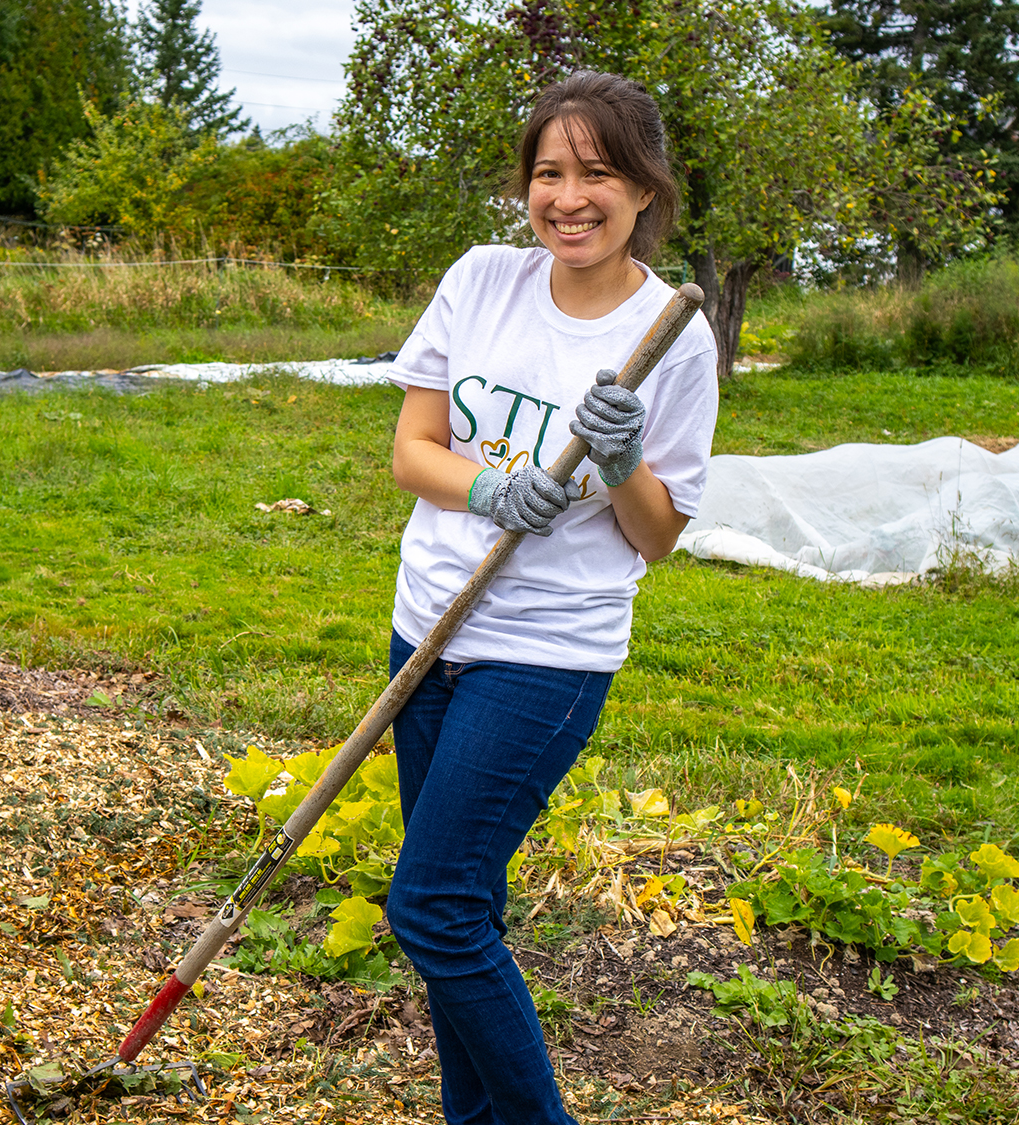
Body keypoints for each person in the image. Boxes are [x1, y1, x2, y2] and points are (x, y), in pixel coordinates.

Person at [382, 70, 719, 1125]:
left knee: (431, 910)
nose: (569, 198)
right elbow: (411, 450)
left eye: (599, 174)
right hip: (429, 625)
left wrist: (620, 465)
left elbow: (658, 537)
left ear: (646, 189)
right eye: (550, 172)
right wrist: (489, 486)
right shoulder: (483, 279)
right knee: (463, 912)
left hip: (546, 655)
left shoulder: (672, 335)